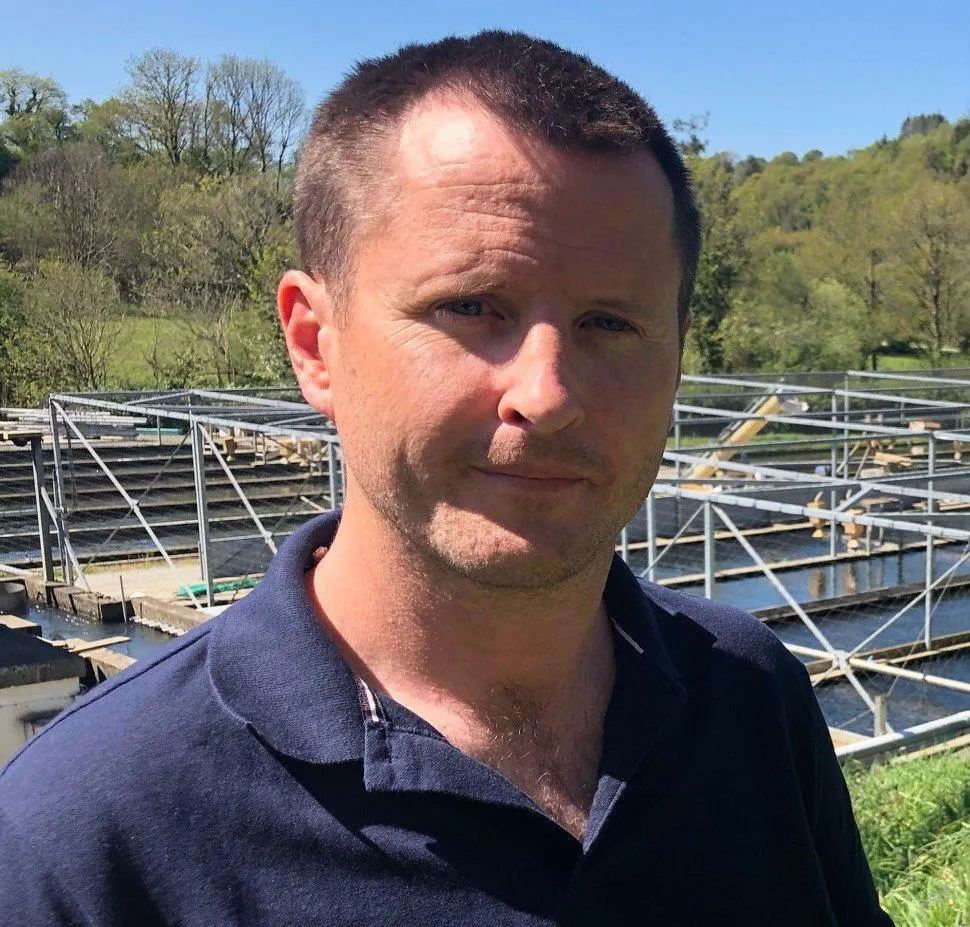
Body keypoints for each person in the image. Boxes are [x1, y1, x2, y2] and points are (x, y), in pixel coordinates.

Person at [0, 31, 891, 925]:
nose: (547, 395)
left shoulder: (752, 696)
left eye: (612, 323)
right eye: (470, 306)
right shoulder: (83, 834)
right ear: (315, 343)